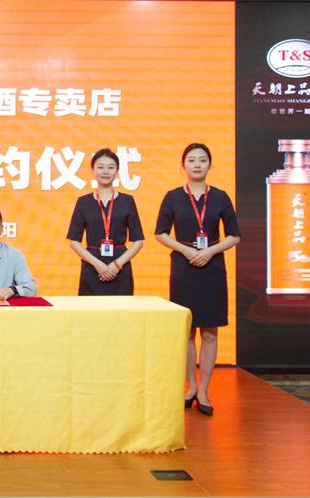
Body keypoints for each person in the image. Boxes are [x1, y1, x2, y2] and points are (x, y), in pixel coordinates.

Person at [155, 143, 240, 416]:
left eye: (202, 160)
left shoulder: (221, 197)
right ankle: (190, 386)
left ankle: (204, 390)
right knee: (187, 330)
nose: (197, 165)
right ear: (183, 166)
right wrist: (186, 250)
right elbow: (160, 233)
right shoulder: (172, 197)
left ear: (210, 165)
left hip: (212, 266)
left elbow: (234, 235)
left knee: (210, 332)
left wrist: (210, 251)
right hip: (184, 266)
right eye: (191, 160)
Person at [66, 148, 144, 295]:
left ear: (117, 171)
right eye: (100, 167)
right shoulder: (83, 202)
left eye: (111, 167)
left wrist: (117, 265)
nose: (105, 172)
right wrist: (97, 265)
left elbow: (138, 240)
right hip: (92, 266)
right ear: (93, 170)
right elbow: (74, 241)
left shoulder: (127, 201)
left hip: (120, 266)